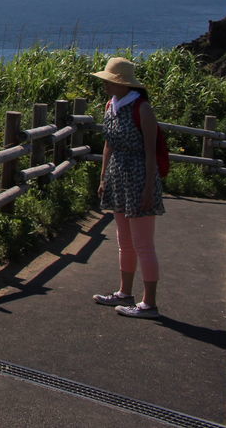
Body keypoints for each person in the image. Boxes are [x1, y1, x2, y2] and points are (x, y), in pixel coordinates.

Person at [90, 56, 163, 318]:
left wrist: (147, 188)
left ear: (123, 84)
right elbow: (108, 143)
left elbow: (150, 150)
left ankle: (149, 303)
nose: (106, 86)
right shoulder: (111, 105)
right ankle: (125, 292)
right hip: (118, 176)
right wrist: (103, 176)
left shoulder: (142, 108)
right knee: (125, 241)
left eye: (110, 81)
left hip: (138, 176)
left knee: (143, 243)